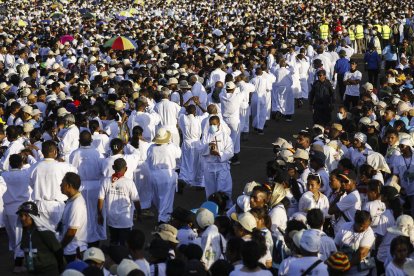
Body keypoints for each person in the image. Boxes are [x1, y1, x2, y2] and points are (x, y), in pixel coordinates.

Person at [29, 140, 77, 229]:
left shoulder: (34, 167)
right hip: (57, 206)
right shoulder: (63, 166)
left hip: (40, 205)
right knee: (58, 235)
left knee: (43, 236)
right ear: (55, 152)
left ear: (42, 152)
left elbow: (31, 183)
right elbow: (75, 172)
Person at [69, 130, 104, 246]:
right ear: (91, 141)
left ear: (79, 141)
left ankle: (84, 239)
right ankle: (94, 239)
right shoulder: (97, 153)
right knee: (94, 213)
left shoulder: (75, 154)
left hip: (81, 187)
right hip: (95, 186)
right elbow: (102, 170)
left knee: (82, 213)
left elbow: (72, 171)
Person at [98, 158, 141, 246]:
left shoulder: (106, 181)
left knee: (113, 241)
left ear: (113, 167)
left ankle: (113, 257)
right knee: (124, 244)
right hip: (125, 219)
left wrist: (100, 215)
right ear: (126, 169)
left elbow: (100, 199)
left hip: (111, 218)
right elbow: (136, 201)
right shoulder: (129, 183)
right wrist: (139, 214)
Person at [0, 154, 30, 272]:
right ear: (21, 163)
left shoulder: (4, 175)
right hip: (22, 208)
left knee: (13, 236)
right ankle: (18, 263)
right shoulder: (25, 174)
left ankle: (18, 260)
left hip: (8, 208)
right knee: (20, 236)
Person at [18, 201, 65, 274]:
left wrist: (61, 267)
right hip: (32, 270)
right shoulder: (25, 232)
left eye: (26, 215)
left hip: (48, 271)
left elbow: (58, 251)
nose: (22, 218)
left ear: (33, 217)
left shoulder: (44, 232)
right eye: (21, 215)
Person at [147, 128, 181, 223]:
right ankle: (163, 218)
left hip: (154, 174)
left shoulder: (151, 148)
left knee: (157, 196)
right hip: (167, 174)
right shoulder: (171, 147)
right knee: (167, 197)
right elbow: (178, 155)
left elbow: (148, 161)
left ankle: (162, 214)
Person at [199, 116, 234, 205]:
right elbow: (200, 149)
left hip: (221, 166)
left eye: (214, 124)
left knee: (223, 187)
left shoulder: (225, 136)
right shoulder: (206, 136)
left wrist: (219, 153)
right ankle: (212, 205)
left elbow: (230, 151)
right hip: (209, 166)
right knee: (210, 188)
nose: (212, 126)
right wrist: (208, 147)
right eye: (210, 124)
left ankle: (225, 206)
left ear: (219, 124)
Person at [334, 210, 375, 276]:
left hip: (359, 273)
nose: (365, 229)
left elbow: (361, 254)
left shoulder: (369, 232)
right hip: (342, 267)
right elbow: (336, 245)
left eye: (367, 226)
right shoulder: (345, 226)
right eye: (361, 226)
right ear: (355, 222)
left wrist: (345, 267)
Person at [59, 172, 88, 262]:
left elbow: (72, 231)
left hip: (74, 251)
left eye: (62, 183)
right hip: (70, 249)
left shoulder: (76, 204)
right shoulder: (71, 200)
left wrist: (60, 247)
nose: (60, 185)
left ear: (68, 186)